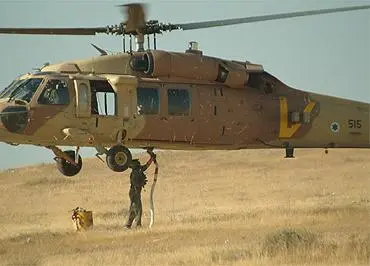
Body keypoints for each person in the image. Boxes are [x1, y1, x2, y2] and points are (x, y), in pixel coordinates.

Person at [124, 150, 156, 229]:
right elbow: (136, 183)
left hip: (134, 192)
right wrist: (141, 183)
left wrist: (151, 158)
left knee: (133, 209)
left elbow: (146, 166)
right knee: (138, 209)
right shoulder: (136, 172)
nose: (138, 163)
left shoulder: (138, 170)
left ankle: (128, 225)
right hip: (135, 192)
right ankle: (137, 225)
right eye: (137, 163)